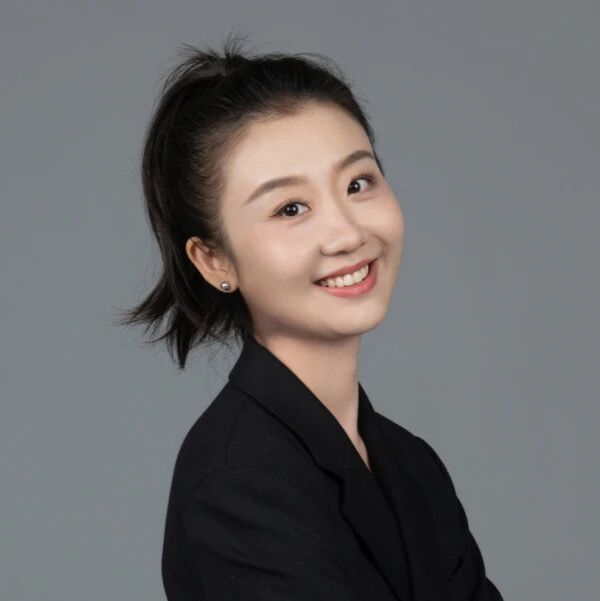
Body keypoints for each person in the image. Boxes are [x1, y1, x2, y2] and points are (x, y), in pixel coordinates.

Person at [115, 32, 504, 601]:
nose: (346, 233)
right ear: (215, 260)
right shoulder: (239, 482)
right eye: (291, 208)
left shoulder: (411, 464)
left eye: (358, 183)